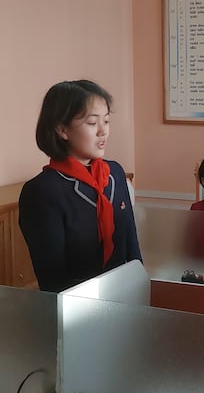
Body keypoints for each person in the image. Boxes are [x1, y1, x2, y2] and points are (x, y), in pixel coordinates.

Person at [19, 80, 142, 292]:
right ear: (62, 129)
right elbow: (52, 280)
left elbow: (132, 246)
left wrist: (141, 289)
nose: (103, 131)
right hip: (78, 308)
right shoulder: (42, 191)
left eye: (106, 121)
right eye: (93, 123)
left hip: (126, 296)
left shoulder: (115, 173)